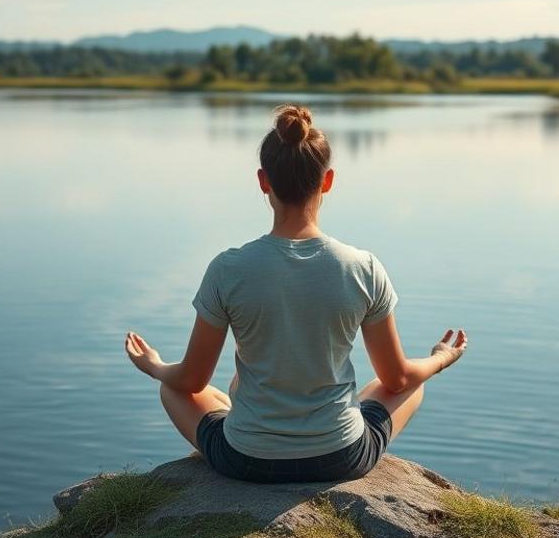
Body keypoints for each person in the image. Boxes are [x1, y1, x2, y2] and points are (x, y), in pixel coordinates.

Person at [124, 104, 467, 483]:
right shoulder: (362, 267)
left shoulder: (228, 269)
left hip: (246, 461)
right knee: (409, 385)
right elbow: (398, 378)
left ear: (263, 181)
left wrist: (154, 365)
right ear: (327, 180)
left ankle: (245, 420)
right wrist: (440, 359)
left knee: (172, 390)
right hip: (340, 456)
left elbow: (190, 380)